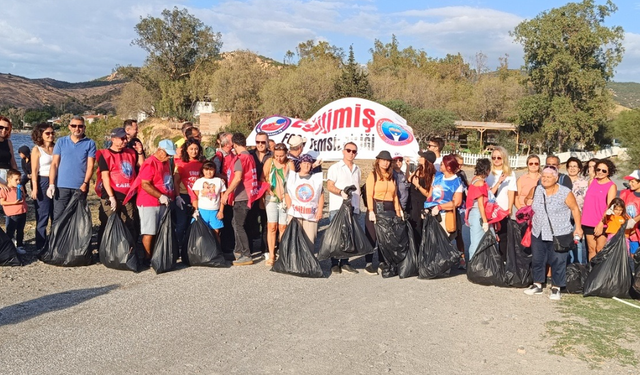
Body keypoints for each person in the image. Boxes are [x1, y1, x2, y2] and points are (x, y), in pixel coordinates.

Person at [524, 165, 582, 301]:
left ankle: (556, 287)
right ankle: (537, 284)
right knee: (537, 258)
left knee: (558, 260)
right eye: (543, 176)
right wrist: (528, 202)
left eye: (549, 177)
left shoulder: (565, 192)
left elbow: (575, 209)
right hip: (538, 230)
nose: (545, 179)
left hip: (559, 232)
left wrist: (578, 228)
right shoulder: (537, 189)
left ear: (556, 178)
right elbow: (527, 200)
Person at [222, 133, 266, 266]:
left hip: (242, 197)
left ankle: (245, 254)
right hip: (248, 195)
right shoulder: (250, 156)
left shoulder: (241, 158)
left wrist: (226, 194)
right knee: (237, 223)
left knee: (238, 225)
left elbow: (237, 178)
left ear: (235, 145)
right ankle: (239, 251)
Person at [47, 116, 96, 221]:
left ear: (84, 128)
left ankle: (75, 238)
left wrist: (85, 183)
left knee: (77, 218)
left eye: (80, 126)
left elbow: (90, 166)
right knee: (58, 217)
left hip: (80, 187)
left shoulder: (90, 143)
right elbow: (54, 164)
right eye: (74, 126)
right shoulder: (61, 142)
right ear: (69, 127)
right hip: (61, 186)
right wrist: (51, 184)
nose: (77, 129)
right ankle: (57, 237)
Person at [135, 139, 176, 262]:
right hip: (149, 202)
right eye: (167, 154)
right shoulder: (150, 163)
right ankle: (147, 258)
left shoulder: (166, 163)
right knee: (149, 231)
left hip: (163, 202)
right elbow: (145, 184)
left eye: (170, 155)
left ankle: (156, 255)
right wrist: (160, 196)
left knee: (158, 230)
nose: (169, 157)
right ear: (159, 150)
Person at [95, 128, 139, 245]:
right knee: (108, 223)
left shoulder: (131, 153)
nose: (125, 141)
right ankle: (104, 250)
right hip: (111, 195)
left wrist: (140, 152)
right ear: (113, 139)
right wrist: (111, 196)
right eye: (122, 138)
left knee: (129, 224)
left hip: (128, 196)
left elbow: (141, 167)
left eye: (126, 138)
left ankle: (127, 250)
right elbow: (105, 177)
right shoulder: (104, 154)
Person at [326, 142, 362, 275]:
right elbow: (329, 186)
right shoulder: (335, 167)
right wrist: (341, 192)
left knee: (349, 235)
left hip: (353, 207)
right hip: (338, 206)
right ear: (343, 151)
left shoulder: (357, 169)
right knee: (336, 236)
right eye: (349, 150)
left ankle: (345, 261)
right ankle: (334, 263)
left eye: (354, 151)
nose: (351, 153)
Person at [365, 150, 402, 275]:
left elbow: (395, 195)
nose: (386, 163)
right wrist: (370, 210)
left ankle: (382, 261)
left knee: (386, 236)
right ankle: (369, 263)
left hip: (389, 206)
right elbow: (369, 194)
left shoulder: (391, 176)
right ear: (378, 161)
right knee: (372, 235)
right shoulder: (373, 175)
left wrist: (398, 211)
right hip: (376, 205)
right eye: (383, 160)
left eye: (388, 161)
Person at [285, 153, 324, 252]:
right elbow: (287, 193)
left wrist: (319, 211)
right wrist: (290, 208)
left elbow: (321, 195)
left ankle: (308, 263)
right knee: (294, 239)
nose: (306, 165)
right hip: (295, 213)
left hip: (310, 214)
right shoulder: (293, 177)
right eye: (304, 163)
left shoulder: (316, 179)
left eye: (309, 163)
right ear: (300, 164)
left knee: (309, 239)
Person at [262, 142, 293, 266]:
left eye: (281, 156)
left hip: (284, 198)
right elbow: (263, 177)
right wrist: (267, 188)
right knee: (271, 226)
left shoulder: (289, 164)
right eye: (277, 156)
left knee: (283, 227)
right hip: (271, 197)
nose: (279, 158)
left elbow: (293, 181)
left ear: (286, 154)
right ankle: (271, 254)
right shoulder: (270, 162)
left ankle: (282, 252)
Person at [582, 159, 617, 260]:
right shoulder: (591, 182)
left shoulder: (611, 186)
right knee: (591, 249)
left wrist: (601, 223)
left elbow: (610, 207)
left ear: (609, 172)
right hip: (588, 221)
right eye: (598, 169)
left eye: (604, 171)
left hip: (602, 222)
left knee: (600, 249)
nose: (600, 172)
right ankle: (591, 273)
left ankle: (601, 274)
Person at [485, 146, 516, 259]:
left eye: (499, 157)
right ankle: (490, 260)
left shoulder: (510, 174)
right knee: (489, 235)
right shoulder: (488, 173)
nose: (496, 160)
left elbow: (511, 191)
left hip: (502, 208)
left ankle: (503, 260)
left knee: (503, 236)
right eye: (494, 157)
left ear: (504, 158)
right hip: (489, 209)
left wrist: (509, 208)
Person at [424, 154, 464, 238]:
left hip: (444, 215)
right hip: (432, 215)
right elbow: (430, 195)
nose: (440, 165)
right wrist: (426, 207)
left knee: (442, 243)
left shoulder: (456, 182)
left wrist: (439, 207)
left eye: (442, 164)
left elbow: (457, 202)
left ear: (448, 167)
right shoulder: (437, 177)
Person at [30, 123, 55, 250]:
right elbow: (34, 170)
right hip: (42, 181)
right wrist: (35, 188)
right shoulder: (36, 149)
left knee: (55, 214)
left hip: (56, 181)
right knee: (43, 214)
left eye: (52, 133)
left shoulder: (56, 147)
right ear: (40, 135)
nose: (51, 135)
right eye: (47, 133)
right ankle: (40, 245)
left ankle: (54, 242)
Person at [173, 139, 204, 246]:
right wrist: (177, 196)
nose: (194, 151)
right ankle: (179, 246)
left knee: (194, 221)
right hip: (183, 196)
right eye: (191, 149)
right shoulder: (181, 163)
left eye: (196, 149)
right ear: (186, 150)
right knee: (182, 223)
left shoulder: (202, 163)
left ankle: (192, 246)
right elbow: (176, 182)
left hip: (198, 197)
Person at [248, 131, 272, 256]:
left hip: (266, 192)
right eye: (258, 142)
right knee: (250, 220)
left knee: (266, 221)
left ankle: (266, 248)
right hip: (252, 192)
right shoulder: (250, 154)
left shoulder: (272, 156)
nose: (260, 144)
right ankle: (250, 248)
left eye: (263, 142)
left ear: (267, 143)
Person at [407, 150, 436, 245]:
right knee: (411, 225)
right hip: (411, 202)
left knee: (419, 227)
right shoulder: (418, 169)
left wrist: (418, 186)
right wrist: (407, 167)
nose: (419, 158)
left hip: (421, 204)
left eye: (422, 157)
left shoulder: (432, 175)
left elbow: (429, 194)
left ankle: (419, 251)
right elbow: (409, 179)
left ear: (427, 160)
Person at [465, 158, 492, 261]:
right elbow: (480, 204)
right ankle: (473, 264)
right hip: (478, 213)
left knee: (476, 240)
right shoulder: (480, 183)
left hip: (474, 212)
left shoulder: (474, 179)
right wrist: (485, 221)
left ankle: (475, 264)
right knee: (476, 242)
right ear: (487, 170)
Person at [192, 162, 226, 238]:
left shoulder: (219, 181)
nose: (208, 172)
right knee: (201, 234)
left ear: (214, 170)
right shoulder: (199, 181)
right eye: (206, 170)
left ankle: (216, 249)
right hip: (202, 211)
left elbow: (222, 198)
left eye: (211, 170)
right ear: (203, 170)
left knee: (216, 233)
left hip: (215, 211)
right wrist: (196, 210)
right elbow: (196, 197)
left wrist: (221, 211)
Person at [566, 157, 588, 263]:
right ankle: (569, 266)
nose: (572, 168)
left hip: (578, 214)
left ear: (579, 168)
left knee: (577, 240)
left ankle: (578, 266)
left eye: (575, 166)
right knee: (566, 240)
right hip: (564, 215)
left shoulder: (584, 183)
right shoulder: (562, 181)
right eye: (570, 166)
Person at [0, 169, 27, 254]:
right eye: (16, 180)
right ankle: (9, 246)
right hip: (12, 214)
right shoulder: (5, 190)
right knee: (10, 230)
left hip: (22, 211)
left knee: (20, 229)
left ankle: (20, 245)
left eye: (19, 179)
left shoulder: (19, 188)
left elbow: (24, 197)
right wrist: (13, 203)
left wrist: (23, 192)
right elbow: (2, 201)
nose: (18, 181)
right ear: (9, 179)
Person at [621, 170, 640, 254]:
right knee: (633, 255)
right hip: (631, 233)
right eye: (629, 181)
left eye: (633, 181)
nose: (630, 184)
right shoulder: (626, 194)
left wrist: (634, 221)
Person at [0, 116, 18, 189]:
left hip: (8, 175)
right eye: (1, 127)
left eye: (6, 128)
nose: (4, 130)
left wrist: (17, 178)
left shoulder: (8, 143)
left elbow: (13, 161)